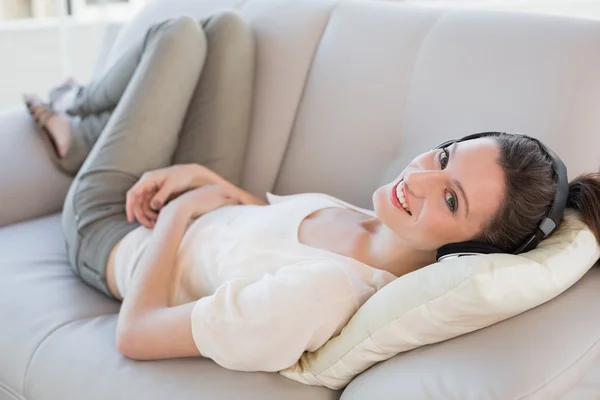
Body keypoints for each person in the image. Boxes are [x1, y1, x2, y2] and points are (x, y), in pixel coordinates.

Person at [23, 13, 600, 372]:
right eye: (444, 155)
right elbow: (264, 239)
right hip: (195, 207)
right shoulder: (383, 222)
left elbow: (135, 334)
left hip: (118, 237)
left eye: (451, 199)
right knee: (226, 30)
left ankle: (74, 125)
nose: (418, 179)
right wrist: (214, 186)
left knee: (173, 34)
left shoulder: (321, 296)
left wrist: (178, 215)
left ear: (469, 251)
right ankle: (96, 129)